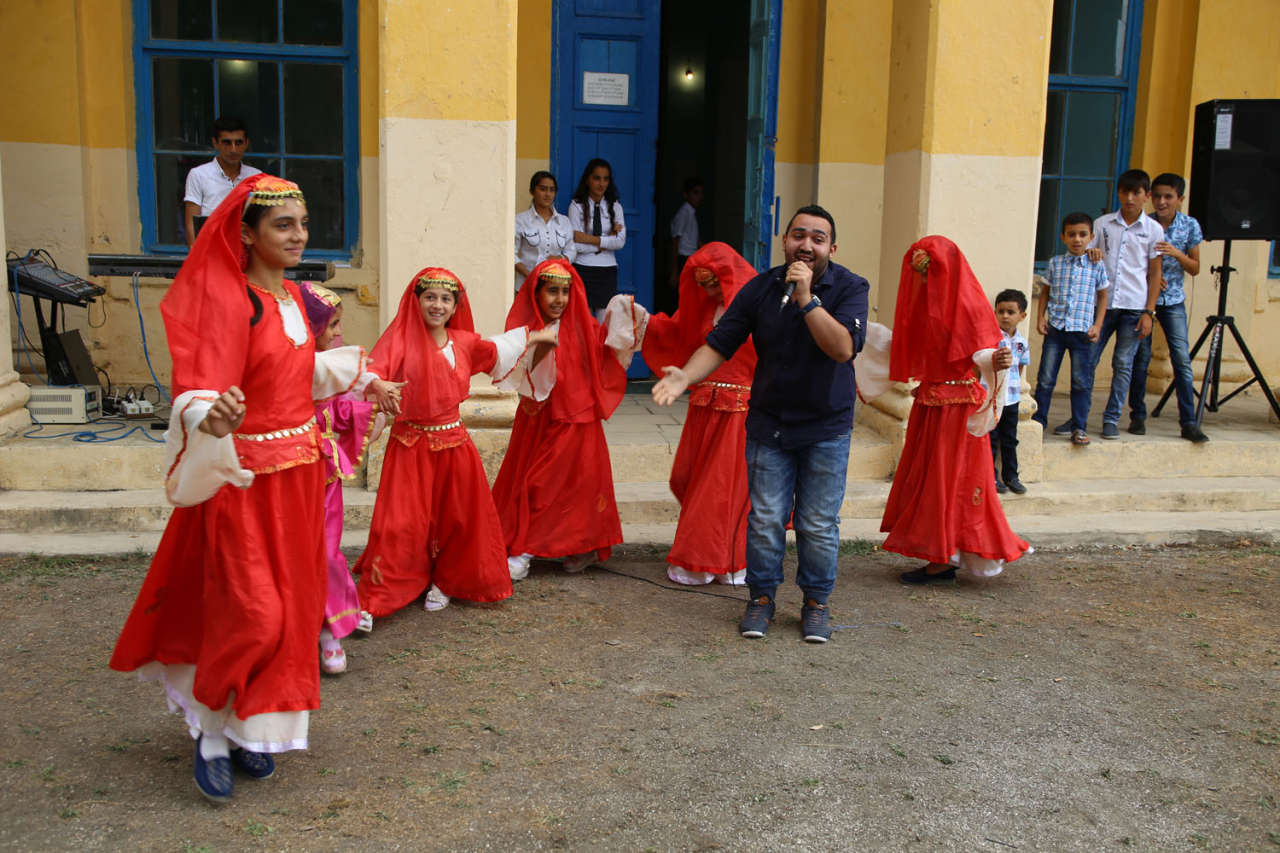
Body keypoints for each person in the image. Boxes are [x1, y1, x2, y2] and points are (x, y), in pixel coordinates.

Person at [109, 174, 402, 803]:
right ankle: (212, 732)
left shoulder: (297, 298)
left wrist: (362, 379)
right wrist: (208, 415)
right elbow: (201, 382)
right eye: (283, 225)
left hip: (299, 479)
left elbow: (298, 369)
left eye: (302, 223)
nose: (299, 235)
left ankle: (249, 730)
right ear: (246, 235)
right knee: (253, 612)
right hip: (242, 483)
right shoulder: (231, 299)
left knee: (291, 614)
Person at [651, 205, 869, 644]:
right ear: (784, 241)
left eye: (818, 238)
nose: (806, 245)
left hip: (825, 427)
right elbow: (721, 341)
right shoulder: (760, 288)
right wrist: (686, 376)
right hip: (769, 424)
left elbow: (843, 348)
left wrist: (807, 299)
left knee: (817, 522)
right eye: (798, 235)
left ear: (831, 247)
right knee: (766, 518)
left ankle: (816, 604)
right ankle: (762, 599)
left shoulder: (850, 287)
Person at [354, 268, 556, 620]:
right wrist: (379, 386)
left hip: (454, 445)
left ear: (454, 305)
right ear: (416, 301)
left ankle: (446, 581)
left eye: (445, 299)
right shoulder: (398, 340)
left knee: (457, 518)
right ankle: (382, 592)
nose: (437, 304)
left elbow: (497, 347)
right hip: (409, 445)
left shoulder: (462, 342)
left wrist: (536, 336)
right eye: (430, 297)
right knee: (401, 522)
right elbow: (373, 369)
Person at [881, 236, 1030, 584]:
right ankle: (941, 554)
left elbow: (982, 350)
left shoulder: (969, 306)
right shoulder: (921, 308)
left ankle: (946, 557)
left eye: (930, 271)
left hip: (958, 410)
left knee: (953, 481)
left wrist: (997, 358)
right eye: (919, 272)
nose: (923, 279)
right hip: (930, 406)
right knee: (933, 479)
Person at [619, 242, 758, 585]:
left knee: (723, 487)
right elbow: (676, 332)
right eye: (704, 285)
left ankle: (716, 561)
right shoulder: (705, 310)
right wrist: (640, 321)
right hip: (703, 409)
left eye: (715, 283)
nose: (709, 290)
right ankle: (716, 557)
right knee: (690, 479)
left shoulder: (758, 309)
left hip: (739, 413)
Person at [493, 260, 632, 580]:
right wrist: (539, 346)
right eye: (551, 291)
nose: (559, 299)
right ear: (537, 294)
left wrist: (623, 321)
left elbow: (608, 358)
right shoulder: (526, 331)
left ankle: (568, 546)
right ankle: (527, 545)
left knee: (564, 486)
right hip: (538, 419)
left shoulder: (586, 327)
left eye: (565, 292)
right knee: (535, 483)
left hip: (576, 420)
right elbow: (514, 369)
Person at [298, 282, 384, 675]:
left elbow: (344, 412)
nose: (337, 334)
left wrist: (375, 414)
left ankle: (331, 629)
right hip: (288, 477)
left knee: (327, 553)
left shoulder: (336, 366)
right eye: (331, 325)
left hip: (324, 481)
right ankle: (295, 632)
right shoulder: (287, 368)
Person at [1083, 169, 1163, 441]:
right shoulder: (1103, 224)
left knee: (1123, 364)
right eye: (1125, 192)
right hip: (1103, 305)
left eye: (1136, 193)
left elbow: (1154, 273)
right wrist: (1090, 253)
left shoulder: (1153, 230)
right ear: (1118, 192)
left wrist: (1149, 312)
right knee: (1088, 360)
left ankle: (1111, 418)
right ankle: (1079, 417)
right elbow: (1085, 255)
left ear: (1146, 196)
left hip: (1134, 306)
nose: (1129, 198)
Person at [1128, 172, 1207, 442]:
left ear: (1180, 199)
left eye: (1168, 197)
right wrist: (1153, 277)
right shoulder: (1143, 223)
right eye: (1157, 196)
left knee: (1182, 360)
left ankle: (1189, 422)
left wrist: (1176, 253)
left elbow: (1196, 268)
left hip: (1173, 300)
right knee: (1141, 358)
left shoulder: (1189, 225)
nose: (1162, 202)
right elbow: (1132, 263)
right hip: (1144, 300)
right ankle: (1137, 415)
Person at [1035, 212, 1111, 447]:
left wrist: (1098, 325)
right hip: (1056, 330)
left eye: (1082, 234)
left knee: (1081, 382)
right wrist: (1040, 317)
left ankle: (1079, 427)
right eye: (1071, 235)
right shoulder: (1056, 263)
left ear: (1091, 237)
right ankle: (1038, 422)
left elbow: (1103, 296)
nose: (1077, 239)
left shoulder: (1096, 265)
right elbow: (1045, 291)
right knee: (1046, 379)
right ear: (1063, 237)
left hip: (1083, 332)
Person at [183, 117, 261, 248]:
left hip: (246, 251)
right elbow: (191, 223)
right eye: (227, 142)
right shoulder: (199, 175)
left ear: (246, 143)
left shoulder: (256, 176)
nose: (233, 149)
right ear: (215, 143)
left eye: (238, 143)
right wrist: (196, 257)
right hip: (211, 249)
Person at [569, 158, 627, 319]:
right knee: (585, 323)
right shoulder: (576, 206)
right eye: (596, 178)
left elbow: (620, 241)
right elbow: (575, 245)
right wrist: (607, 240)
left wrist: (589, 239)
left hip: (607, 270)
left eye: (605, 179)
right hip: (583, 267)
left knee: (604, 323)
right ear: (588, 179)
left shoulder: (615, 206)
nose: (601, 184)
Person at [991, 289, 1031, 494]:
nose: (1005, 316)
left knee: (1009, 438)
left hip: (1012, 398)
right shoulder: (991, 337)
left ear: (1022, 316)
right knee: (991, 438)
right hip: (993, 398)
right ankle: (991, 476)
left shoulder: (1022, 342)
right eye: (1001, 311)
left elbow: (1020, 368)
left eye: (1010, 312)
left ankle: (1011, 476)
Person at [513, 170, 577, 291]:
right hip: (526, 285)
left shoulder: (564, 222)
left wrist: (562, 259)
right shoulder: (520, 220)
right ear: (532, 191)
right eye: (543, 189)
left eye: (552, 190)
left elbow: (572, 251)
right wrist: (529, 275)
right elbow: (512, 254)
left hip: (555, 285)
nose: (548, 194)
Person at [668, 177, 704, 291]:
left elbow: (696, 239)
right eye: (695, 193)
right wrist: (674, 271)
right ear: (686, 195)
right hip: (683, 259)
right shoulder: (683, 213)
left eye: (701, 193)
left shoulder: (691, 213)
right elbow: (675, 241)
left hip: (692, 258)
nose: (699, 197)